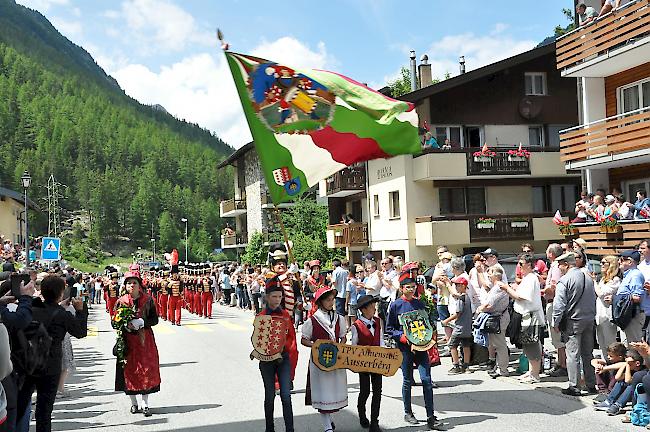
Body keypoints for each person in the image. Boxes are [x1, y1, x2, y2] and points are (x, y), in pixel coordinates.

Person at [16, 275, 87, 432]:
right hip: (51, 365)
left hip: (29, 363)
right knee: (44, 412)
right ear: (61, 293)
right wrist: (81, 311)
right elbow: (81, 332)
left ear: (41, 290)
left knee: (20, 407)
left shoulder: (31, 310)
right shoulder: (63, 315)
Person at [386, 273, 442, 430]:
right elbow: (390, 329)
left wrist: (429, 337)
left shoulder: (420, 304)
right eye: (407, 287)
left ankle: (431, 416)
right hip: (405, 348)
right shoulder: (396, 305)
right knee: (407, 381)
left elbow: (427, 323)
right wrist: (403, 338)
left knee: (426, 379)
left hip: (421, 347)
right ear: (402, 289)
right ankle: (408, 412)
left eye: (413, 286)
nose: (411, 289)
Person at [114, 271, 160, 417]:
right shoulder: (121, 301)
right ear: (125, 285)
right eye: (129, 283)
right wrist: (125, 324)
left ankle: (145, 404)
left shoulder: (148, 300)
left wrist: (142, 322)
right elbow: (113, 321)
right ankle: (134, 403)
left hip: (144, 341)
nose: (132, 285)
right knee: (129, 370)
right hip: (127, 341)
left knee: (146, 369)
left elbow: (155, 320)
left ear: (139, 285)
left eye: (134, 282)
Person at [301, 286, 347, 432]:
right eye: (328, 300)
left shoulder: (339, 318)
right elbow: (304, 339)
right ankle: (327, 426)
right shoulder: (313, 320)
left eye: (332, 299)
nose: (331, 302)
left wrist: (340, 346)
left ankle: (329, 420)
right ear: (320, 302)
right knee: (323, 392)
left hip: (335, 360)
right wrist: (316, 345)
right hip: (319, 362)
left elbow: (343, 336)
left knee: (332, 391)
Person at [552, 252, 597, 396]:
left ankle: (574, 385)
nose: (559, 267)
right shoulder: (588, 278)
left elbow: (559, 305)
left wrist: (556, 322)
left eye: (560, 265)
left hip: (573, 321)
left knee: (572, 354)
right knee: (587, 353)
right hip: (589, 319)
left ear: (566, 264)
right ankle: (591, 384)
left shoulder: (565, 280)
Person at [256, 276, 297, 432]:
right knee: (270, 396)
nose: (278, 299)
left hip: (284, 359)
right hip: (267, 361)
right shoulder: (261, 316)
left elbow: (292, 341)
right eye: (274, 296)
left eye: (280, 296)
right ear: (267, 297)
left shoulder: (286, 315)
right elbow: (258, 342)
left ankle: (290, 429)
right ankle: (269, 428)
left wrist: (291, 364)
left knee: (286, 396)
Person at [500, 254, 545, 384]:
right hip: (524, 315)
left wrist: (507, 288)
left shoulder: (531, 278)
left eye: (521, 264)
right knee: (527, 345)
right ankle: (531, 372)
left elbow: (521, 297)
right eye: (518, 264)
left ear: (529, 265)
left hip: (530, 316)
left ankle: (535, 374)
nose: (519, 267)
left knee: (532, 345)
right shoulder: (527, 278)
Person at [351, 295, 384, 432]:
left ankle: (375, 422)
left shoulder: (378, 321)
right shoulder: (356, 325)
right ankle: (362, 415)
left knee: (377, 392)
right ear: (364, 309)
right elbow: (354, 346)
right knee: (365, 391)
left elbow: (380, 340)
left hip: (378, 362)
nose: (374, 308)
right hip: (363, 364)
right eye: (371, 306)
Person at [477, 266, 511, 378]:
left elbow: (489, 304)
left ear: (496, 275)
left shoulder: (499, 287)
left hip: (498, 319)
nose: (488, 275)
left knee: (500, 344)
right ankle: (500, 367)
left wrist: (480, 309)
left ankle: (503, 369)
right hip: (496, 318)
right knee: (496, 344)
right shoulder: (495, 287)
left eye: (490, 273)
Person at [609, 250, 645, 344]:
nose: (619, 261)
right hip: (627, 316)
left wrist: (616, 298)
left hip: (633, 315)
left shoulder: (635, 275)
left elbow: (637, 298)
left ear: (630, 262)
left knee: (634, 347)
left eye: (622, 259)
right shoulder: (628, 275)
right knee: (629, 346)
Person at [543, 243, 568, 377]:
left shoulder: (556, 266)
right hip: (551, 302)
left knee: (557, 335)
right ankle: (560, 362)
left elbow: (554, 287)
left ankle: (563, 365)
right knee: (555, 337)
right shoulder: (554, 265)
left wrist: (540, 290)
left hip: (554, 303)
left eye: (547, 252)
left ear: (551, 254)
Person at [442, 276, 473, 374]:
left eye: (458, 285)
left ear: (463, 286)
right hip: (467, 328)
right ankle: (466, 366)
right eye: (455, 285)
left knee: (452, 345)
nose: (456, 287)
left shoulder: (461, 299)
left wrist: (446, 321)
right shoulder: (467, 297)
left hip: (459, 328)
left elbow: (458, 313)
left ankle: (456, 366)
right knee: (466, 345)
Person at [595, 256, 621, 359]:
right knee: (601, 343)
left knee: (610, 343)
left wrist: (593, 282)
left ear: (611, 265)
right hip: (599, 315)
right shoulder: (602, 279)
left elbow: (601, 294)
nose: (601, 265)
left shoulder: (615, 280)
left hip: (608, 315)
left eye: (603, 263)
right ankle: (605, 367)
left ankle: (613, 367)